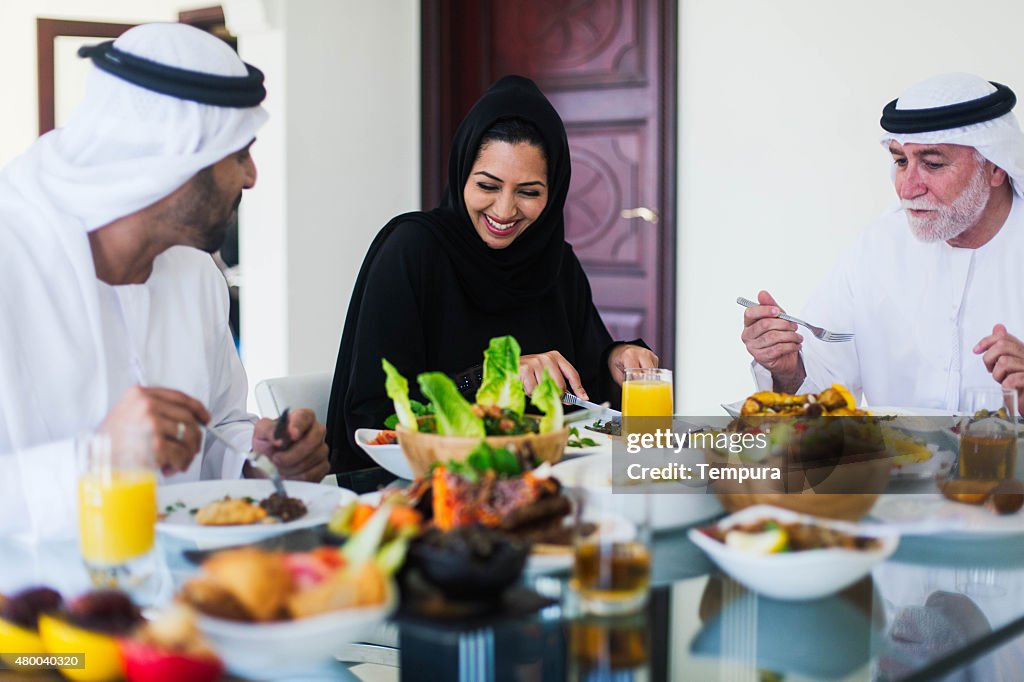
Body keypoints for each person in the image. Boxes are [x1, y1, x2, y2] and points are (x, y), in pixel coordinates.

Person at [0, 23, 328, 540]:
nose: (251, 176)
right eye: (240, 153)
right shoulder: (10, 258)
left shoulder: (196, 272)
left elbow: (219, 428)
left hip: (186, 602)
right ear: (177, 156)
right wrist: (100, 459)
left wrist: (261, 461)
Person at [326, 75, 659, 472]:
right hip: (429, 489)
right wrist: (492, 377)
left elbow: (585, 398)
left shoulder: (556, 262)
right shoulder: (412, 250)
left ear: (554, 194)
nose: (504, 211)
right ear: (462, 172)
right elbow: (372, 414)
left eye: (529, 192)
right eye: (488, 185)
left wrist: (615, 358)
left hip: (547, 485)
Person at [742, 73, 1024, 413]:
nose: (907, 188)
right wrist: (787, 368)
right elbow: (819, 401)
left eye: (933, 164)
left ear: (995, 168)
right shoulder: (876, 250)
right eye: (901, 161)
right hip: (897, 466)